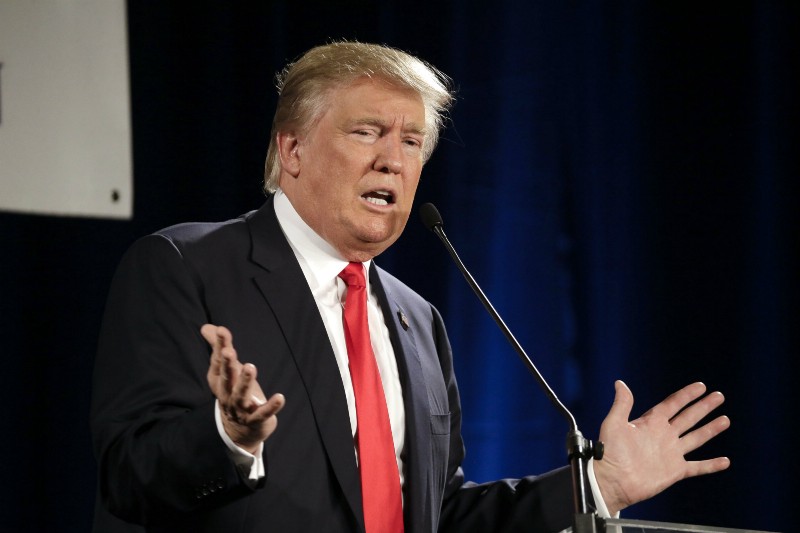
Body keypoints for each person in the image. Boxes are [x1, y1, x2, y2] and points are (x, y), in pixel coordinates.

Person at [91, 41, 730, 533]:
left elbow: (437, 517)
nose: (393, 160)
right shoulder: (184, 265)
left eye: (412, 141)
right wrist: (227, 437)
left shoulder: (416, 319)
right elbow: (127, 477)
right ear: (292, 150)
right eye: (366, 131)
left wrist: (598, 486)